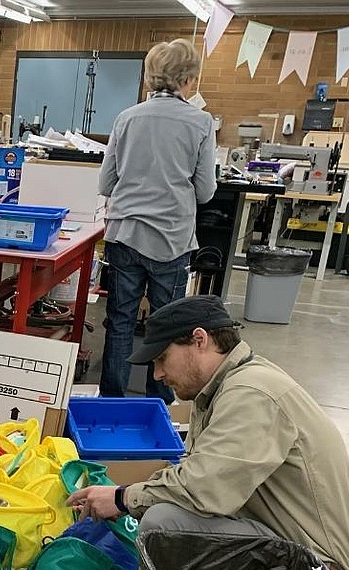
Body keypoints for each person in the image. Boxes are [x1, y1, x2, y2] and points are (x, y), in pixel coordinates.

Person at [68, 294, 349, 570]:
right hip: (288, 547)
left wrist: (122, 497)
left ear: (200, 340)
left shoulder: (251, 394)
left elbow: (203, 489)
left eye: (162, 358)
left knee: (163, 524)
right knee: (161, 512)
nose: (156, 374)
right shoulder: (221, 388)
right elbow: (193, 475)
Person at [98, 38, 216, 401]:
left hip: (126, 234)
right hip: (171, 238)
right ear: (188, 79)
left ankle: (112, 400)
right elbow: (206, 190)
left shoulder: (126, 118)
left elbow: (106, 182)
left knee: (120, 321)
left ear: (150, 76)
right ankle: (157, 401)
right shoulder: (201, 122)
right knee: (167, 327)